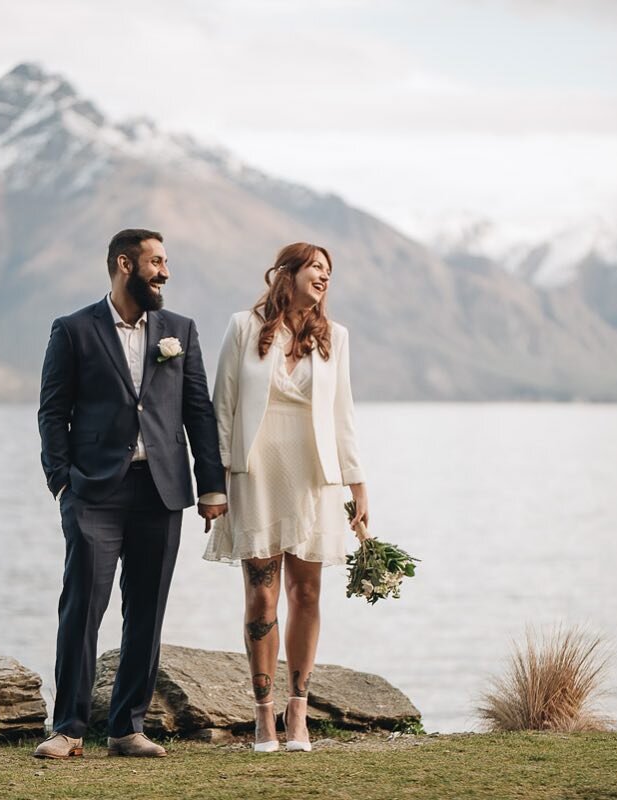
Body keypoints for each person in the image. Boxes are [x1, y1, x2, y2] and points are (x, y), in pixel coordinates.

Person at [35, 229, 227, 759]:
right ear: (125, 264)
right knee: (83, 606)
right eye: (156, 262)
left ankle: (126, 728)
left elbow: (198, 413)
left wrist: (210, 484)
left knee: (146, 610)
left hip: (160, 490)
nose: (165, 272)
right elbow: (53, 411)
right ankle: (69, 728)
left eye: (165, 262)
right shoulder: (73, 329)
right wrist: (61, 481)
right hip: (93, 491)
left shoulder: (179, 330)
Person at [203, 242, 368, 753]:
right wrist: (216, 481)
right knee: (262, 595)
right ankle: (262, 717)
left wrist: (357, 482)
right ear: (287, 274)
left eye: (328, 270)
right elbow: (222, 407)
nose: (324, 276)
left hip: (313, 478)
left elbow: (343, 414)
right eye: (315, 267)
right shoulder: (243, 327)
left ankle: (298, 713)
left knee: (308, 593)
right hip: (256, 474)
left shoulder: (334, 338)